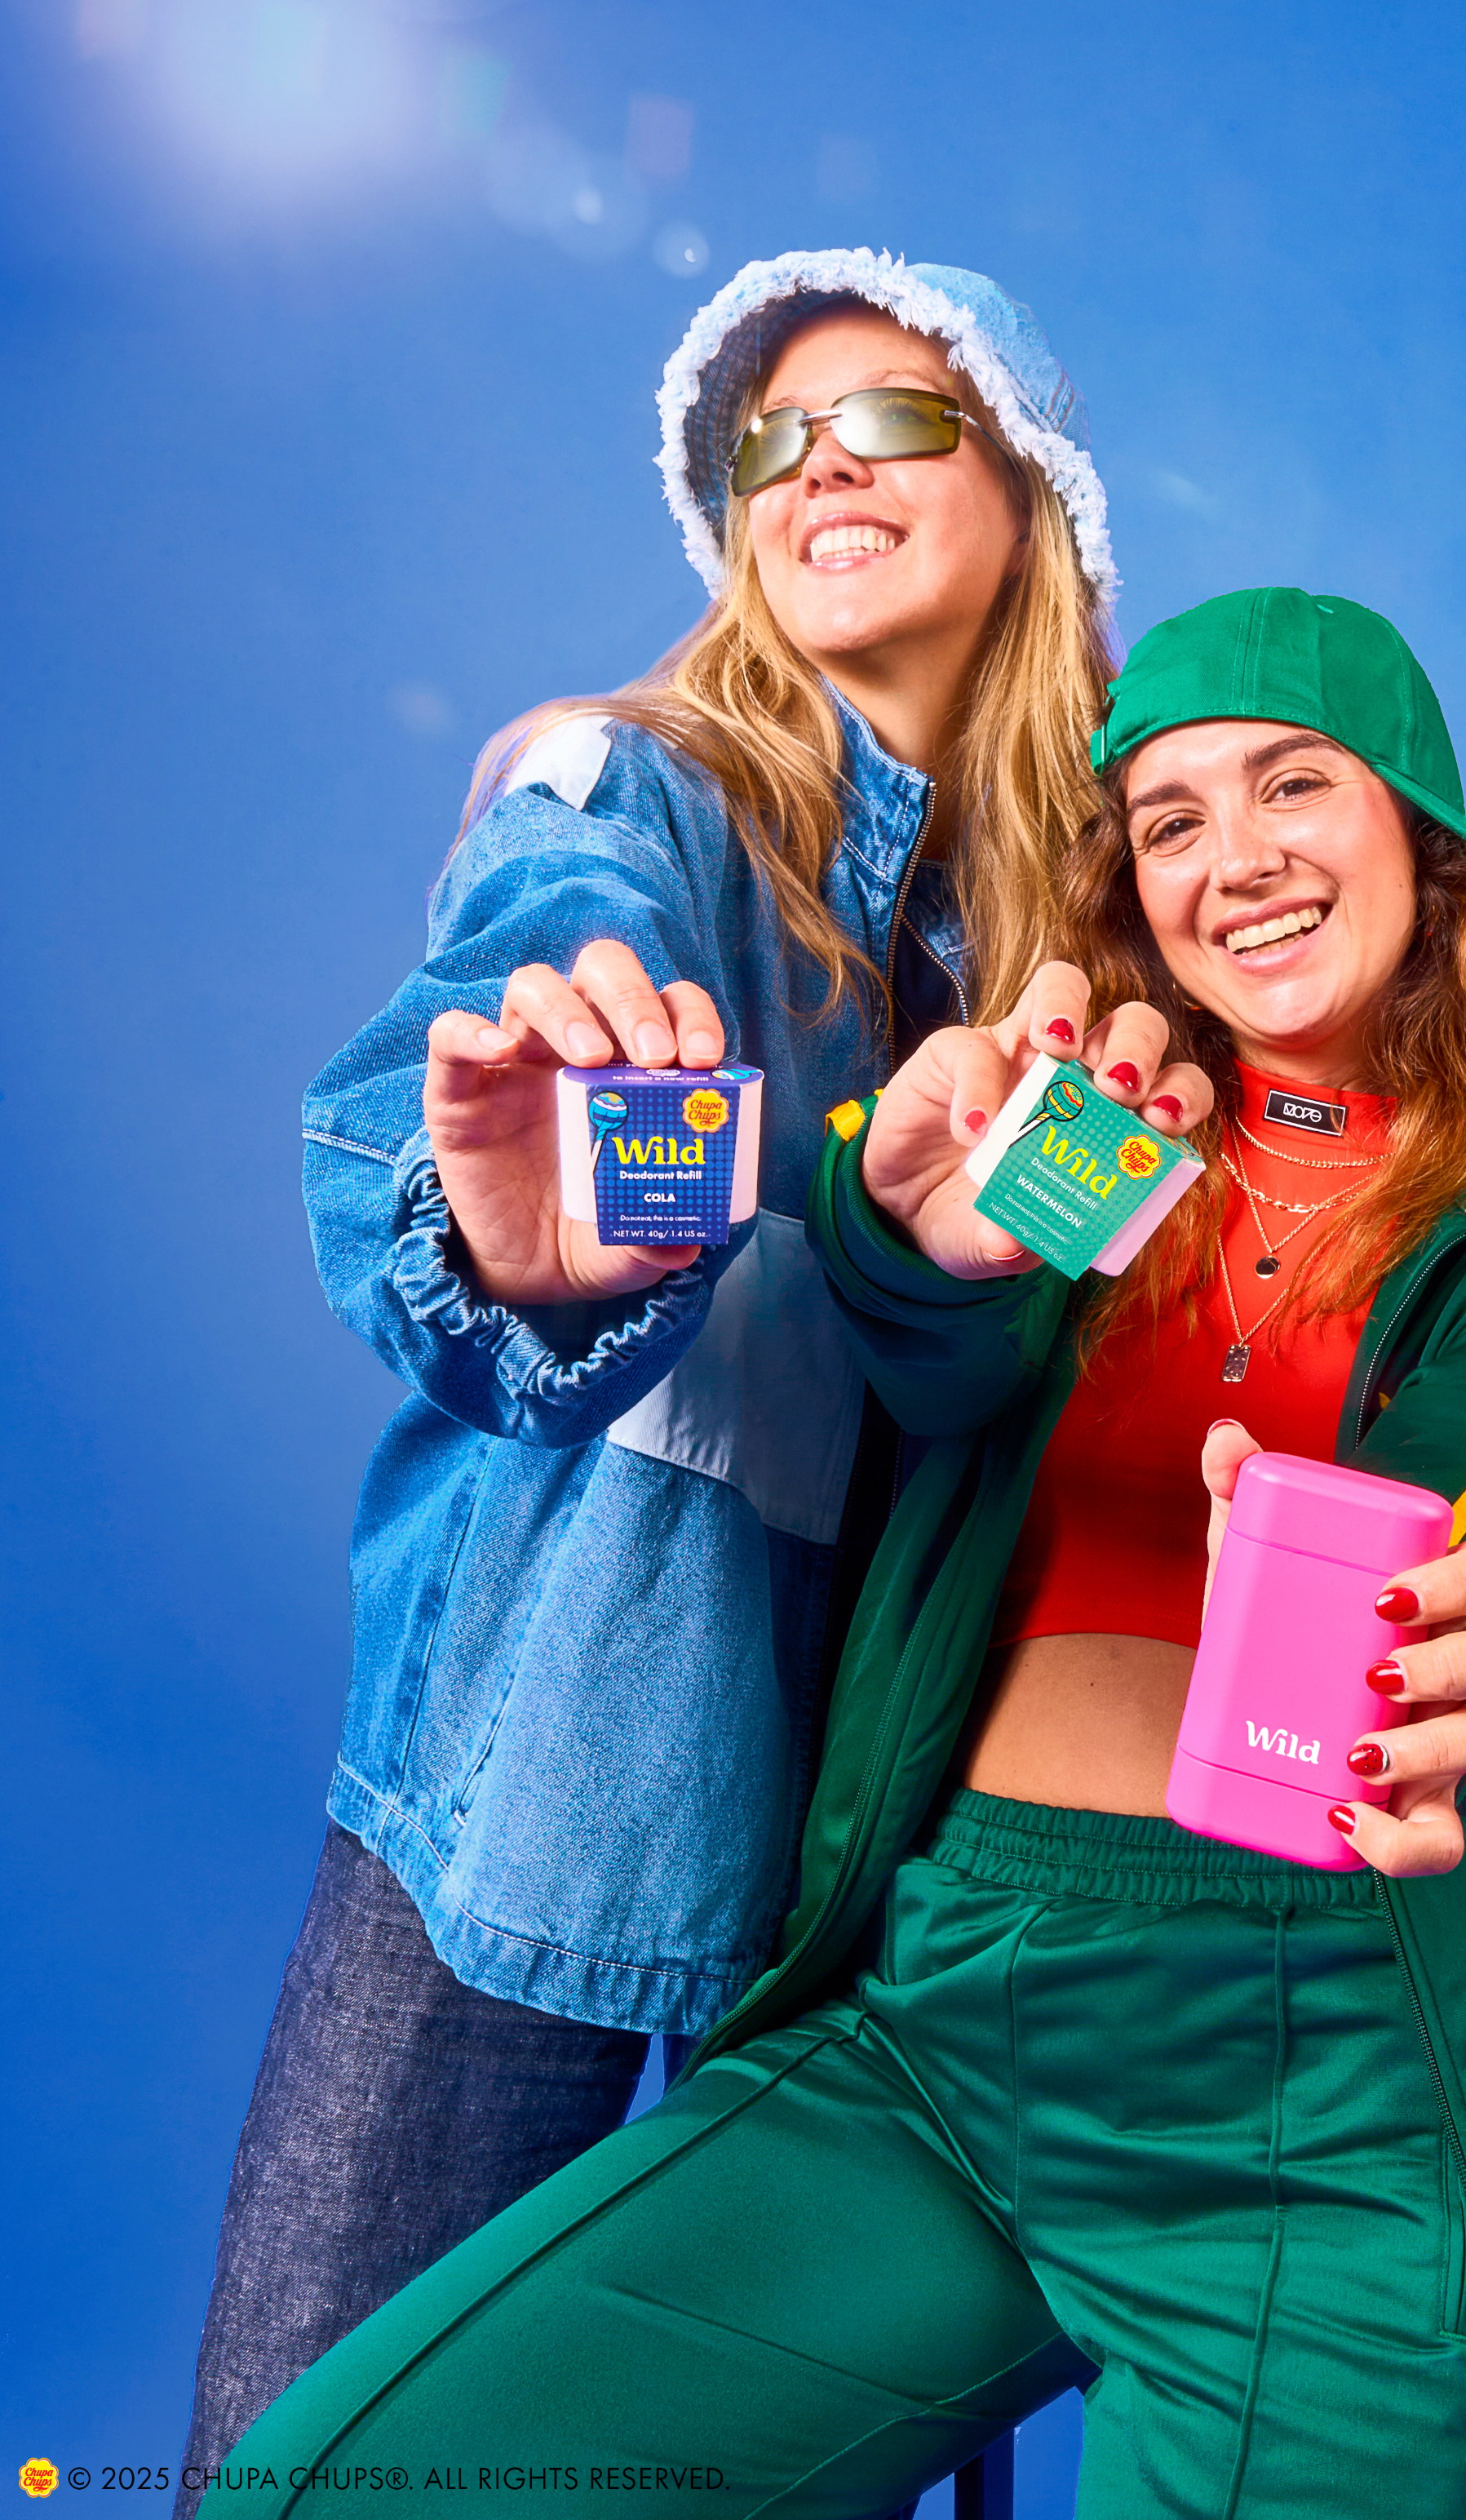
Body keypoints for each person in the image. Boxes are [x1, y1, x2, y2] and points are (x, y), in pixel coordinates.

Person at [203, 589, 1466, 2520]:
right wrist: (922, 1226)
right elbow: (922, 1309)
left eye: (1289, 786)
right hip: (939, 2006)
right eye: (1165, 821)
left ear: (1422, 834)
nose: (1228, 856)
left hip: (1324, 2077)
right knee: (349, 2485)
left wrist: (1436, 1623)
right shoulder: (1095, 1136)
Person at [178, 249, 1117, 2513]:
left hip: (862, 1874)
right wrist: (504, 1221)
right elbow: (496, 1020)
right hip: (553, 1782)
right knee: (326, 2465)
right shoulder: (630, 790)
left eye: (883, 421)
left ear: (1029, 493)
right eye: (768, 445)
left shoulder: (1072, 934)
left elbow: (1038, 1366)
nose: (815, 471)